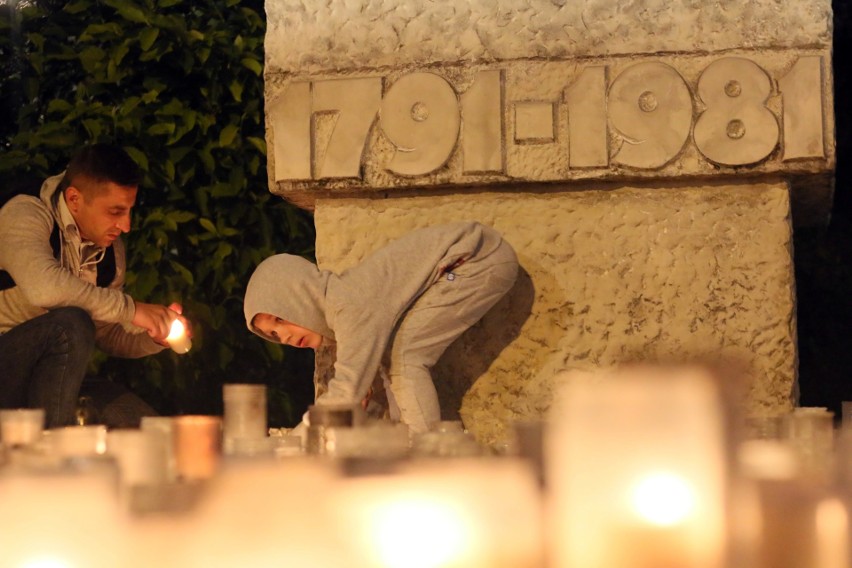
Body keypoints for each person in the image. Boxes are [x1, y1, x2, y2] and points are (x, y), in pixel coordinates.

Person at [243, 221, 518, 434]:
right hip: (468, 261)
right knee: (395, 358)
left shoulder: (348, 305)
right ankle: (413, 449)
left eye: (280, 318)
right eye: (273, 334)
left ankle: (427, 463)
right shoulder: (346, 309)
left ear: (299, 296)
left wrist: (290, 448)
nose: (285, 335)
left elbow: (346, 393)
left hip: (477, 260)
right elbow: (358, 393)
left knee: (405, 357)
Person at [0, 143, 190, 428]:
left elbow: (106, 331)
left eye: (129, 211)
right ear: (74, 199)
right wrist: (133, 309)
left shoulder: (111, 252)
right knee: (70, 324)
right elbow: (44, 288)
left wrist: (154, 336)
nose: (126, 225)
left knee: (145, 426)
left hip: (53, 377)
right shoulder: (26, 213)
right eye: (115, 212)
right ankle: (54, 457)